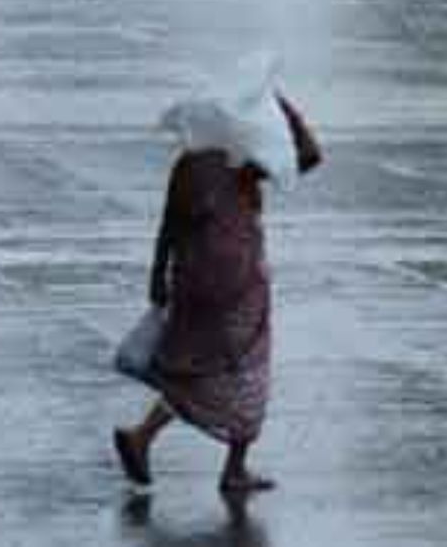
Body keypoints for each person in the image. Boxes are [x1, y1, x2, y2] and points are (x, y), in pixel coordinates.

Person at [114, 87, 322, 497]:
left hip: (192, 283)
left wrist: (157, 276)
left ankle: (142, 437)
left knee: (198, 369)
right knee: (246, 372)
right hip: (237, 290)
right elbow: (310, 156)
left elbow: (168, 225)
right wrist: (286, 109)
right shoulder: (243, 164)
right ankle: (231, 468)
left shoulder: (189, 165)